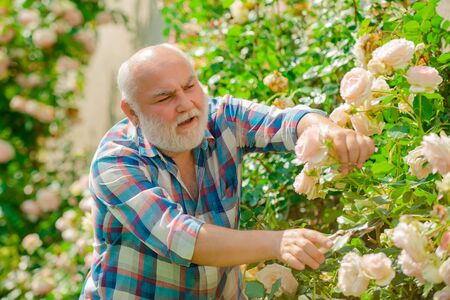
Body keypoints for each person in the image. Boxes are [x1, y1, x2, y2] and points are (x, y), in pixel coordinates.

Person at [80, 43, 375, 299]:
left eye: (189, 86)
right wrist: (277, 241)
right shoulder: (116, 162)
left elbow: (287, 122)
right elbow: (183, 238)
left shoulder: (222, 118)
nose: (186, 104)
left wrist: (327, 131)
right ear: (132, 112)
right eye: (165, 98)